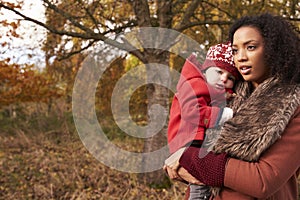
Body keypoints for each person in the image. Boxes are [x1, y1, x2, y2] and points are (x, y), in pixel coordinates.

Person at [164, 13, 300, 199]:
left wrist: (189, 158)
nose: (241, 57)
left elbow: (263, 180)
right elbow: (187, 139)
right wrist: (178, 162)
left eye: (250, 47)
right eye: (235, 50)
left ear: (274, 49)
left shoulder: (294, 103)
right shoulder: (225, 93)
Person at [165, 42, 240, 200]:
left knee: (202, 183)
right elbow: (193, 112)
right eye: (219, 72)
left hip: (194, 140)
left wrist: (226, 95)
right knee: (198, 186)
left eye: (230, 77)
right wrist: (222, 114)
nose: (224, 78)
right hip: (186, 140)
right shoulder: (193, 84)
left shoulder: (209, 86)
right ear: (205, 70)